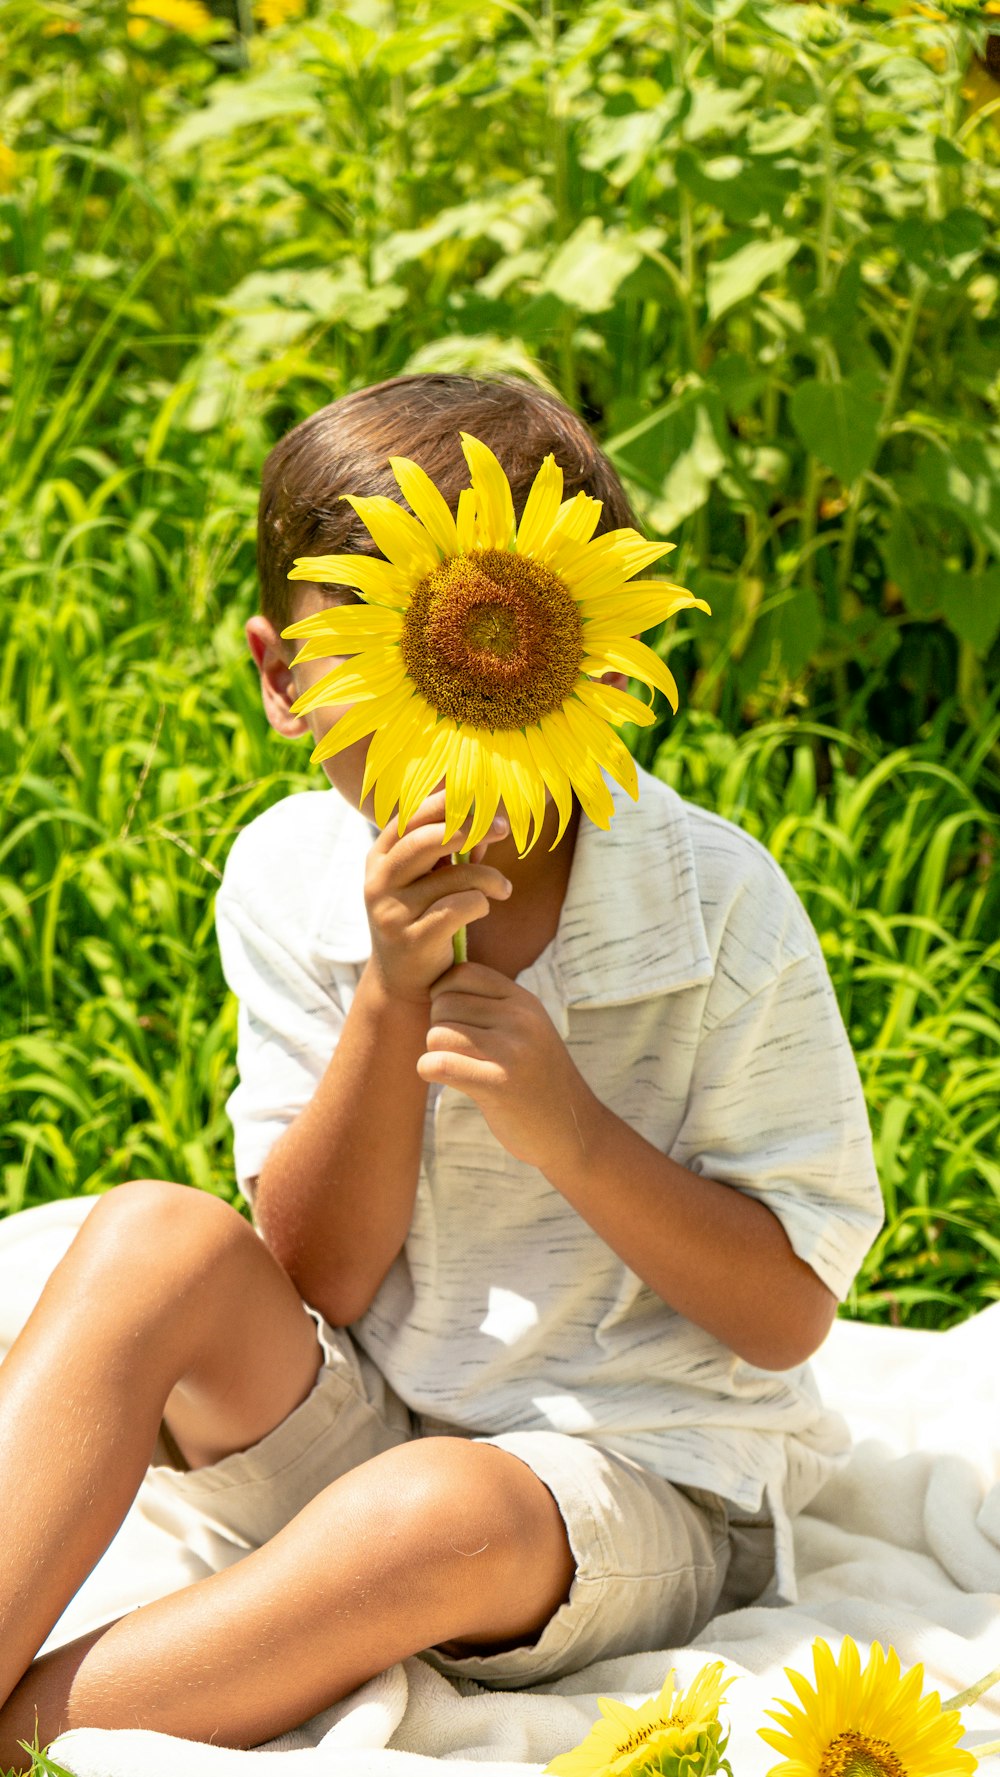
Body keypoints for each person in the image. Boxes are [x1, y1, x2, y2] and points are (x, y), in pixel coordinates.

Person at [0, 373, 883, 1769]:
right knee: (149, 1238)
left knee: (430, 1509)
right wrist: (383, 1006)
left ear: (592, 665)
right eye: (388, 660)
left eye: (499, 652)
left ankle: (33, 1729)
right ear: (282, 681)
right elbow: (315, 1283)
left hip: (624, 1482)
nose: (445, 713)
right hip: (363, 1405)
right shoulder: (288, 877)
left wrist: (574, 1136)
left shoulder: (715, 905)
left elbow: (785, 1315)